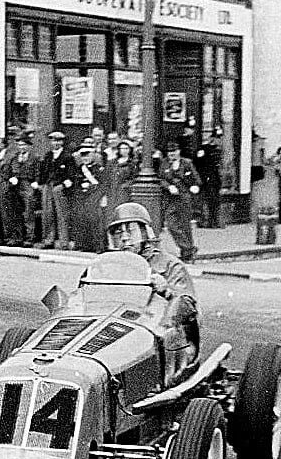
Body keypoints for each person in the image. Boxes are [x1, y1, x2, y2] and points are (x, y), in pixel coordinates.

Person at [105, 202, 199, 384]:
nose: (125, 238)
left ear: (145, 233)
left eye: (130, 231)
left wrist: (167, 290)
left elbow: (189, 308)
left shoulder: (171, 265)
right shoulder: (106, 266)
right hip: (119, 333)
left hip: (164, 340)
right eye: (118, 233)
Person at [159, 139, 201, 263]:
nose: (171, 154)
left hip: (184, 197)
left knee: (185, 225)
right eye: (169, 152)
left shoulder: (187, 163)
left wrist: (195, 186)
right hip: (170, 199)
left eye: (174, 152)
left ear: (179, 151)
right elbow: (161, 179)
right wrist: (168, 186)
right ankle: (189, 248)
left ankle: (186, 254)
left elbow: (196, 179)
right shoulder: (164, 163)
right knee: (172, 225)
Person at [35, 131, 76, 250]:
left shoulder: (67, 157)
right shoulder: (48, 156)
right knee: (47, 214)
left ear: (62, 142)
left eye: (58, 140)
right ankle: (48, 240)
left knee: (61, 214)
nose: (56, 143)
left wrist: (63, 185)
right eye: (53, 140)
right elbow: (42, 172)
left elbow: (71, 175)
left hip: (59, 188)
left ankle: (64, 242)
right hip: (48, 187)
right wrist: (41, 184)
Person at [72, 137, 107, 253]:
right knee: (80, 220)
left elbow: (102, 185)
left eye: (87, 155)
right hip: (82, 198)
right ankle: (82, 245)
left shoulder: (99, 169)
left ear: (93, 155)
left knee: (95, 222)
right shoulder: (79, 169)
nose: (85, 158)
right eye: (83, 155)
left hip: (94, 198)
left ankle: (98, 246)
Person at [5, 132, 39, 246]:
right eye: (19, 145)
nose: (21, 147)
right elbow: (9, 171)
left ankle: (29, 238)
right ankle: (17, 237)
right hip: (16, 186)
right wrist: (11, 178)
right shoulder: (14, 158)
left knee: (29, 212)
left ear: (28, 146)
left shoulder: (34, 158)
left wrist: (36, 182)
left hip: (28, 184)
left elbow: (38, 172)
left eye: (24, 145)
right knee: (16, 212)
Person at [195, 126, 224, 228]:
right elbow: (198, 164)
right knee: (207, 201)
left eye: (219, 138)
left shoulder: (217, 149)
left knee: (215, 201)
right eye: (217, 138)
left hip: (215, 179)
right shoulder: (203, 149)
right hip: (206, 179)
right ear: (212, 138)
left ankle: (214, 221)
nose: (219, 140)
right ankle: (206, 221)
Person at [104, 137, 137, 214]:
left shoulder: (132, 164)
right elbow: (106, 177)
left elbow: (134, 178)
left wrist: (126, 185)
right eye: (122, 148)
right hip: (112, 190)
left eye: (126, 148)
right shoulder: (111, 162)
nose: (124, 150)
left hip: (124, 192)